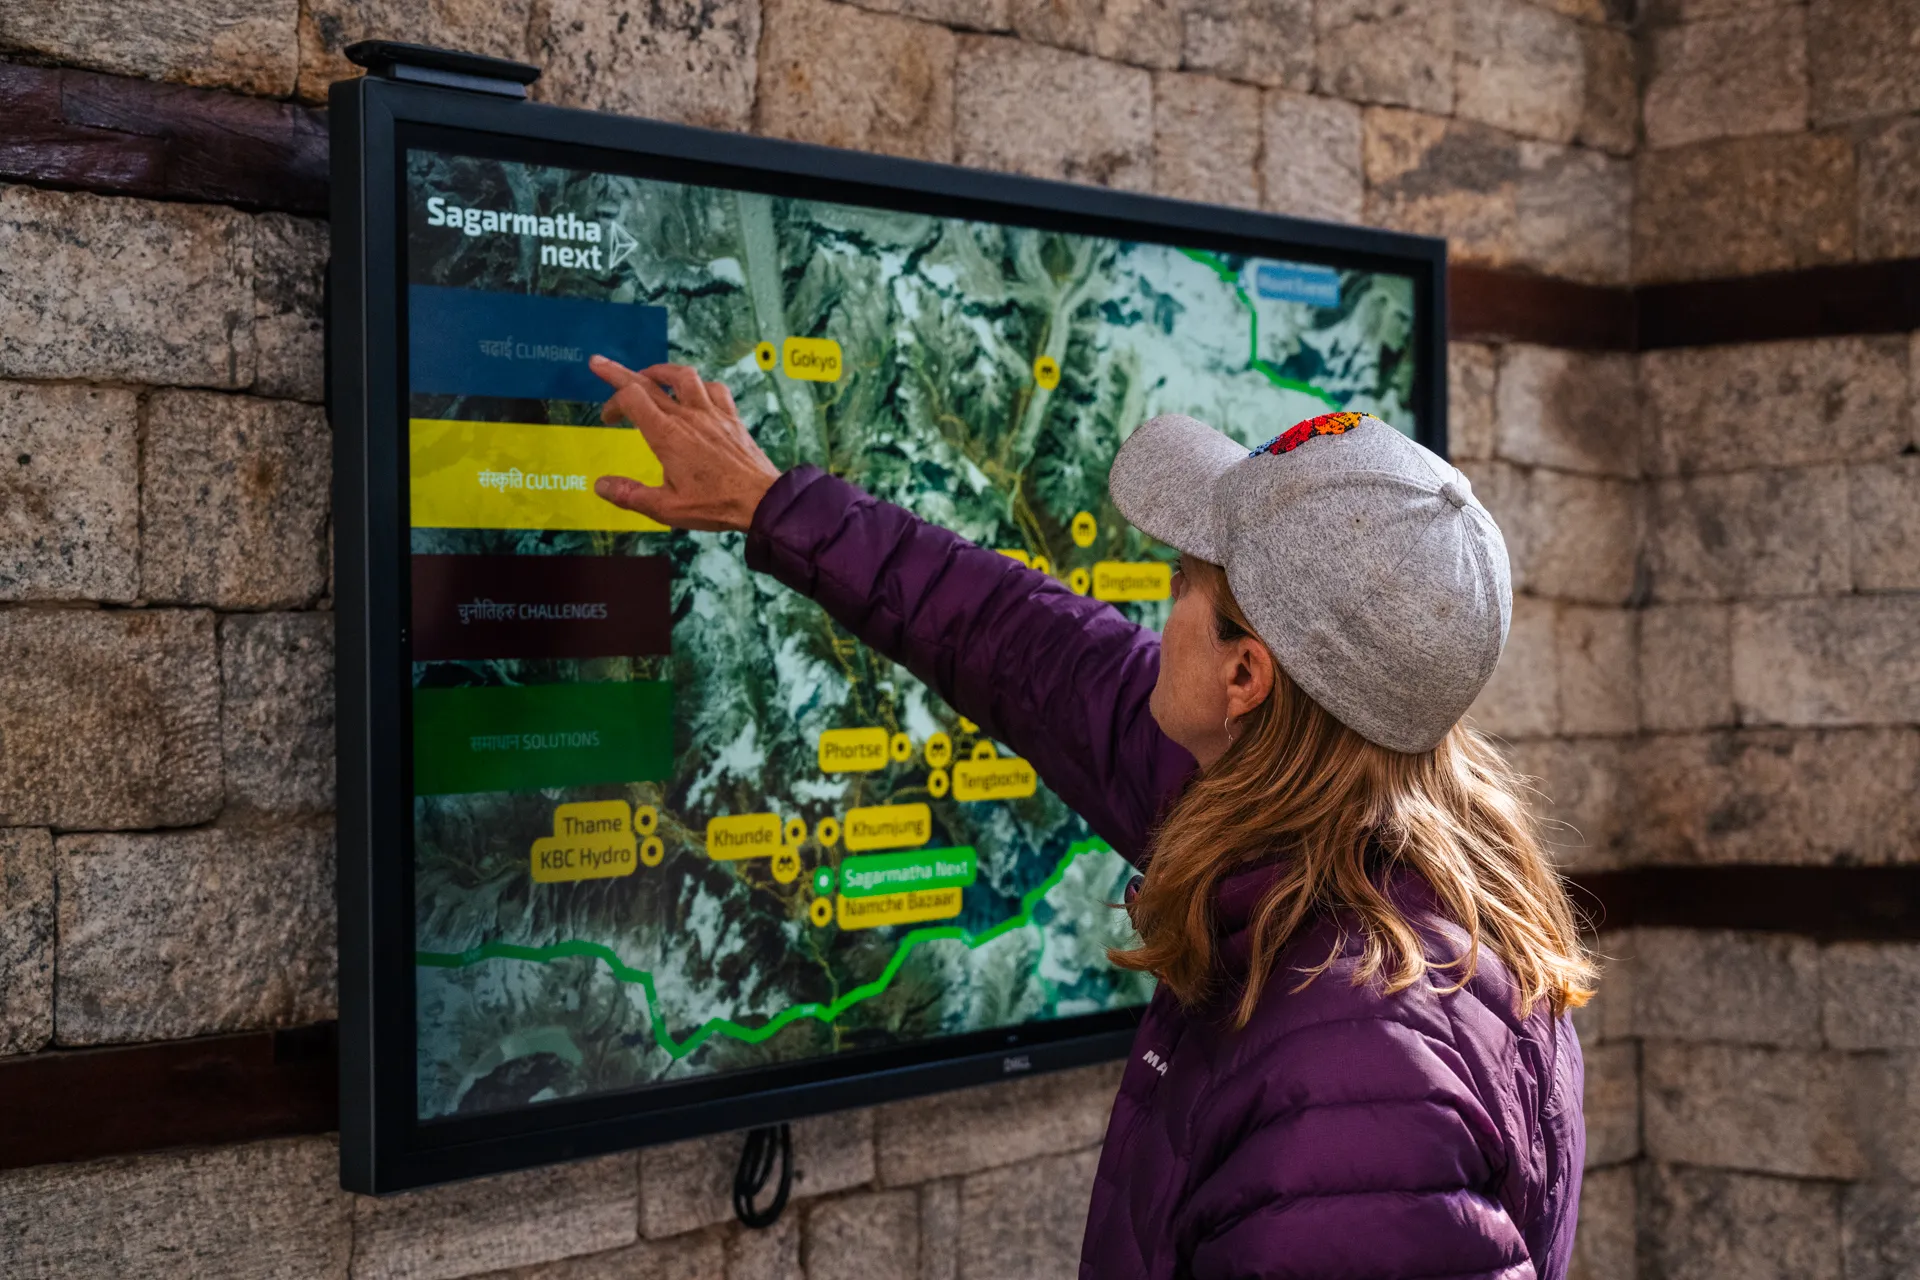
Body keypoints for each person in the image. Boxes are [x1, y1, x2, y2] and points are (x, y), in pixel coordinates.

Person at [587, 354, 1594, 1280]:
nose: (1158, 617)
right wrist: (772, 502)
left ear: (1244, 675)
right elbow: (1022, 643)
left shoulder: (1359, 1064)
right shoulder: (1321, 818)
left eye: (1182, 585)